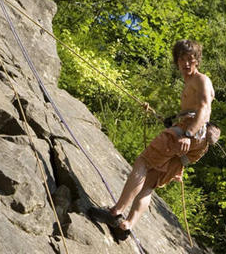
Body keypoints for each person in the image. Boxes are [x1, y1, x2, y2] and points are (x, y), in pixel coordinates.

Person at [92, 39, 215, 241]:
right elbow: (195, 110)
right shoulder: (191, 82)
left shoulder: (201, 80)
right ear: (177, 62)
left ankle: (115, 212)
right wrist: (176, 121)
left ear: (197, 61)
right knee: (149, 181)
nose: (185, 64)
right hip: (195, 137)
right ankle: (127, 225)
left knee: (143, 162)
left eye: (190, 59)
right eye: (181, 59)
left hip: (191, 132)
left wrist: (187, 133)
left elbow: (204, 109)